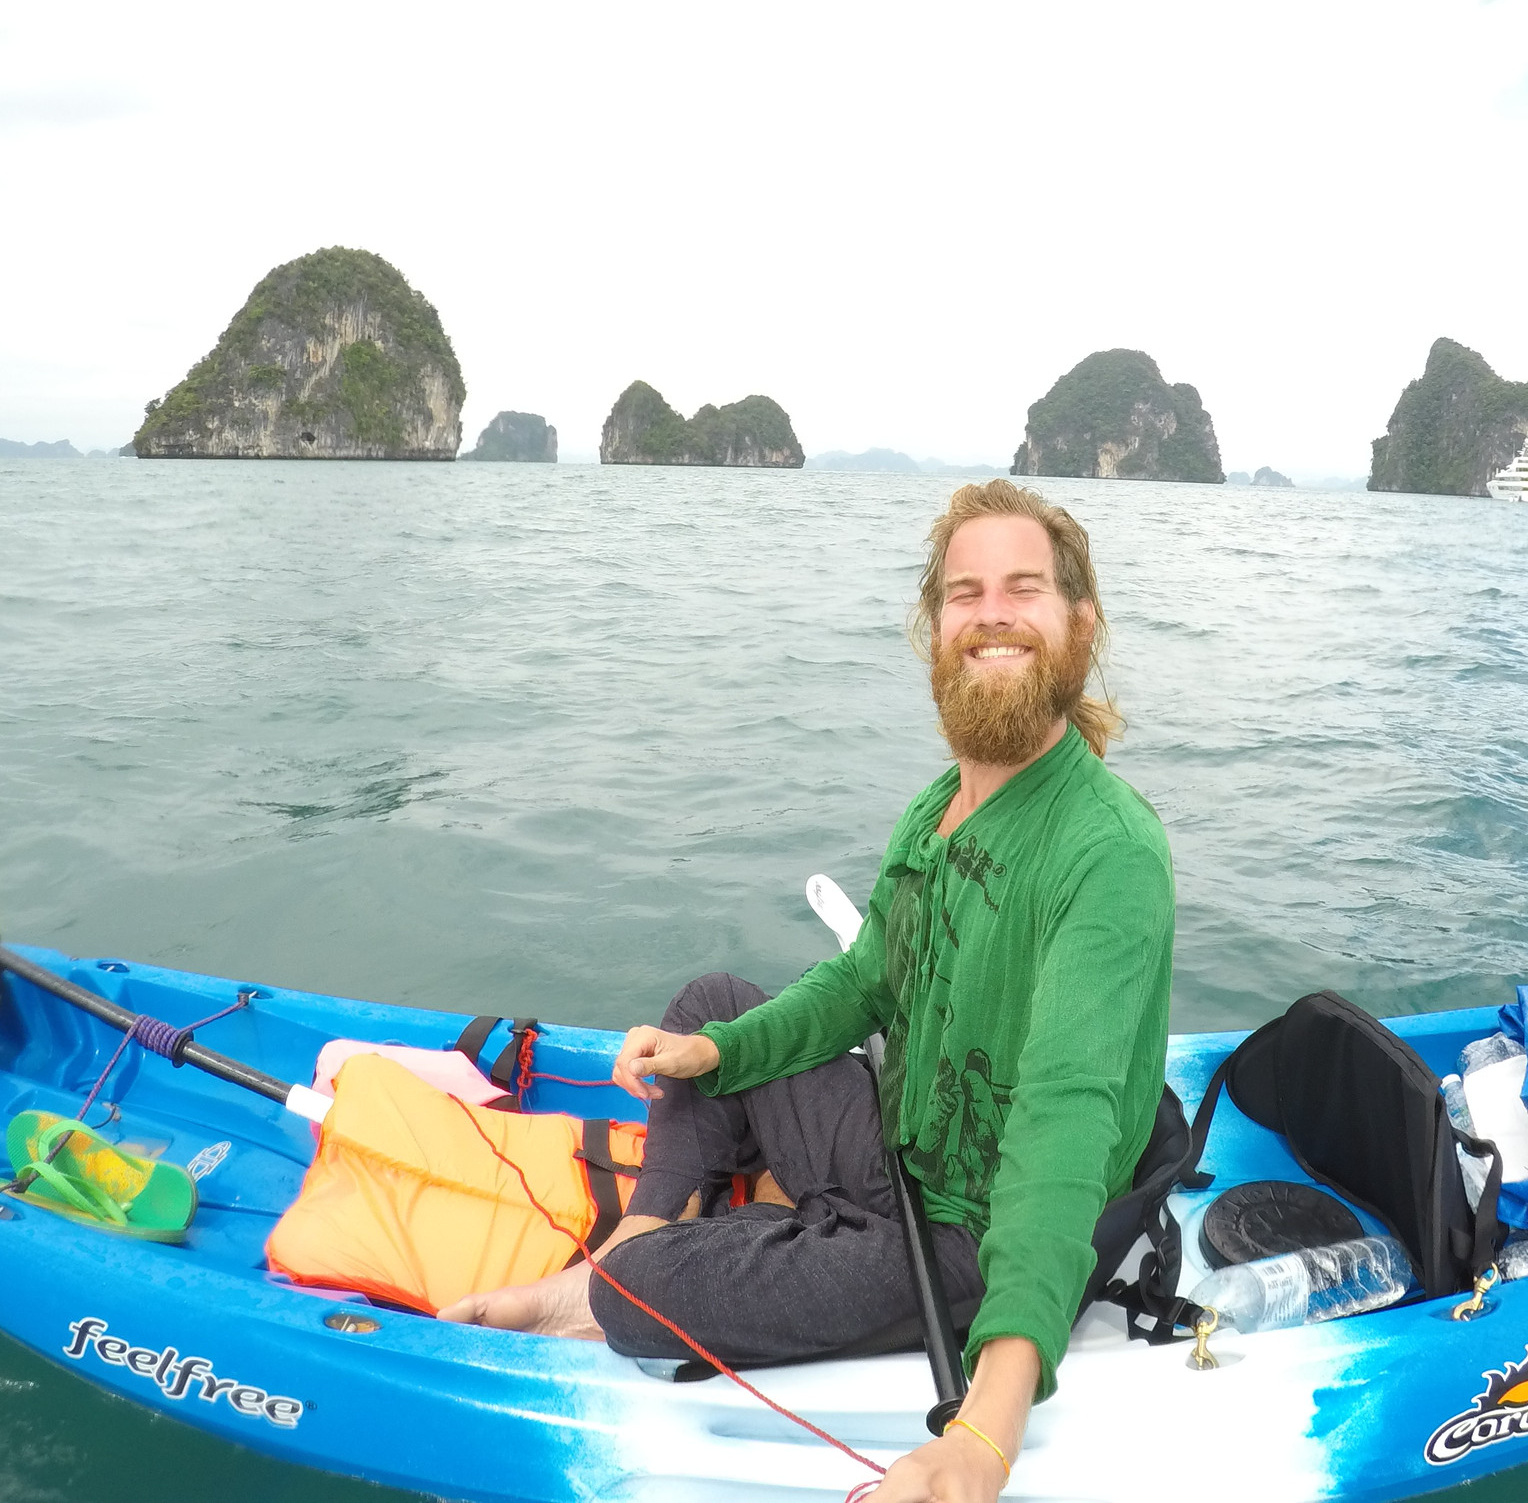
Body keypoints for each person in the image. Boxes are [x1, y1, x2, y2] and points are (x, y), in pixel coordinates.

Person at [449, 479, 1176, 1503]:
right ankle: (641, 1233)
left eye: (1024, 588)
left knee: (632, 1301)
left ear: (1079, 621)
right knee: (709, 1008)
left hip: (969, 1236)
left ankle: (628, 1276)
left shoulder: (1106, 854)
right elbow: (864, 979)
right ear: (934, 628)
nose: (993, 614)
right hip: (899, 1139)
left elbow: (1062, 1130)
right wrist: (717, 1057)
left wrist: (986, 1433)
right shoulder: (941, 808)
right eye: (965, 593)